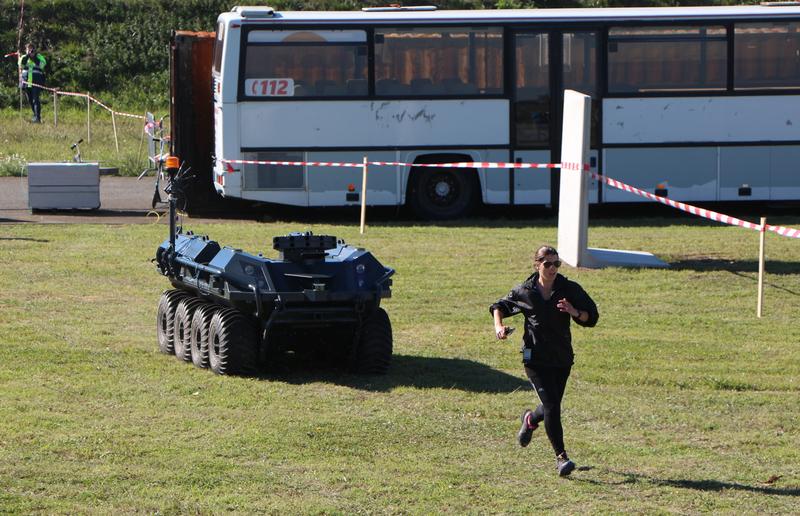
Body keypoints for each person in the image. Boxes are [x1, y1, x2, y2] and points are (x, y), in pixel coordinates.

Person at [490, 245, 598, 477]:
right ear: (537, 265)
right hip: (535, 359)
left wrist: (574, 312)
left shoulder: (569, 289)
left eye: (556, 264)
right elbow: (498, 306)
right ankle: (562, 458)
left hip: (561, 358)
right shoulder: (525, 291)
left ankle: (530, 419)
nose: (552, 268)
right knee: (552, 407)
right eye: (547, 264)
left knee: (550, 407)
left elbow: (592, 316)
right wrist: (499, 327)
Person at [19, 43, 47, 123]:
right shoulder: (24, 57)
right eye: (28, 49)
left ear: (35, 50)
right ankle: (35, 115)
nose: (30, 51)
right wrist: (28, 56)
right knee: (30, 100)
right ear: (26, 50)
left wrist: (34, 57)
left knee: (35, 99)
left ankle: (37, 118)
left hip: (36, 81)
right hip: (26, 82)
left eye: (32, 49)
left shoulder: (39, 57)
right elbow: (21, 64)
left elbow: (42, 65)